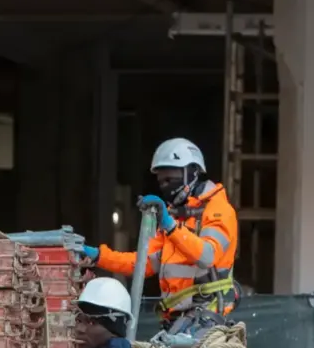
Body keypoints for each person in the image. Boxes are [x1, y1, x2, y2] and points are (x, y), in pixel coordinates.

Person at [82, 138, 240, 336]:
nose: (165, 185)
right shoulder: (175, 217)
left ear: (192, 172)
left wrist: (170, 226)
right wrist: (98, 256)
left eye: (171, 178)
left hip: (206, 320)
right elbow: (143, 264)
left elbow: (207, 255)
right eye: (161, 181)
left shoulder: (219, 210)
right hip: (176, 321)